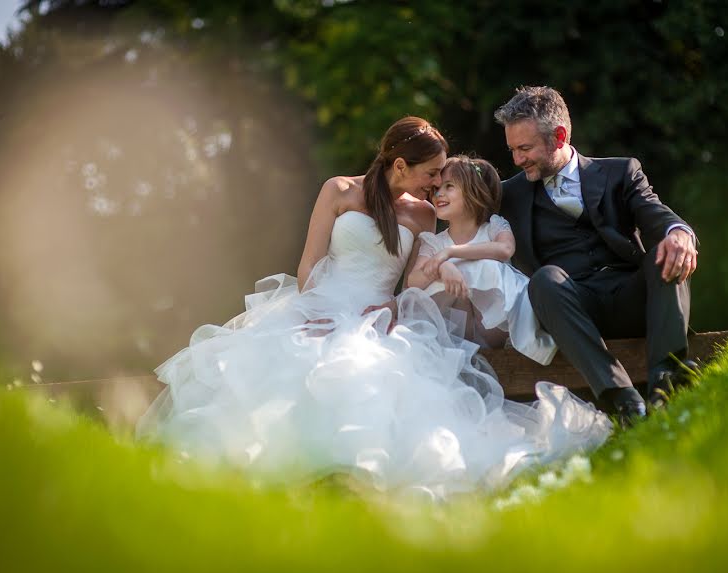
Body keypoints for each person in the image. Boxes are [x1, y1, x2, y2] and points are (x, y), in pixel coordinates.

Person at [137, 116, 612, 500]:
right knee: (290, 365)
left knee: (370, 373)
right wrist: (312, 312)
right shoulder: (339, 191)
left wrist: (421, 286)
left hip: (378, 316)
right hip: (319, 305)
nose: (436, 184)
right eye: (431, 174)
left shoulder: (423, 214)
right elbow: (309, 265)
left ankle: (356, 476)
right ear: (400, 164)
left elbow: (415, 277)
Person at [493, 86, 698, 424]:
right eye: (512, 150)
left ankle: (666, 379)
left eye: (525, 148)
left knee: (665, 251)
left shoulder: (621, 171)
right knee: (544, 280)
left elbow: (654, 213)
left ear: (558, 136)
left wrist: (679, 234)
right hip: (573, 310)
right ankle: (621, 398)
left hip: (632, 299)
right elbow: (457, 198)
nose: (517, 160)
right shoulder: (510, 194)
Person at [407, 155, 556, 365]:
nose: (439, 194)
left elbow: (505, 249)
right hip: (456, 332)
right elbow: (414, 281)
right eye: (436, 189)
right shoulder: (434, 243)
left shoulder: (493, 227)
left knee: (484, 267)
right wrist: (443, 267)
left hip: (496, 327)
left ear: (473, 191)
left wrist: (451, 253)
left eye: (449, 186)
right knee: (433, 284)